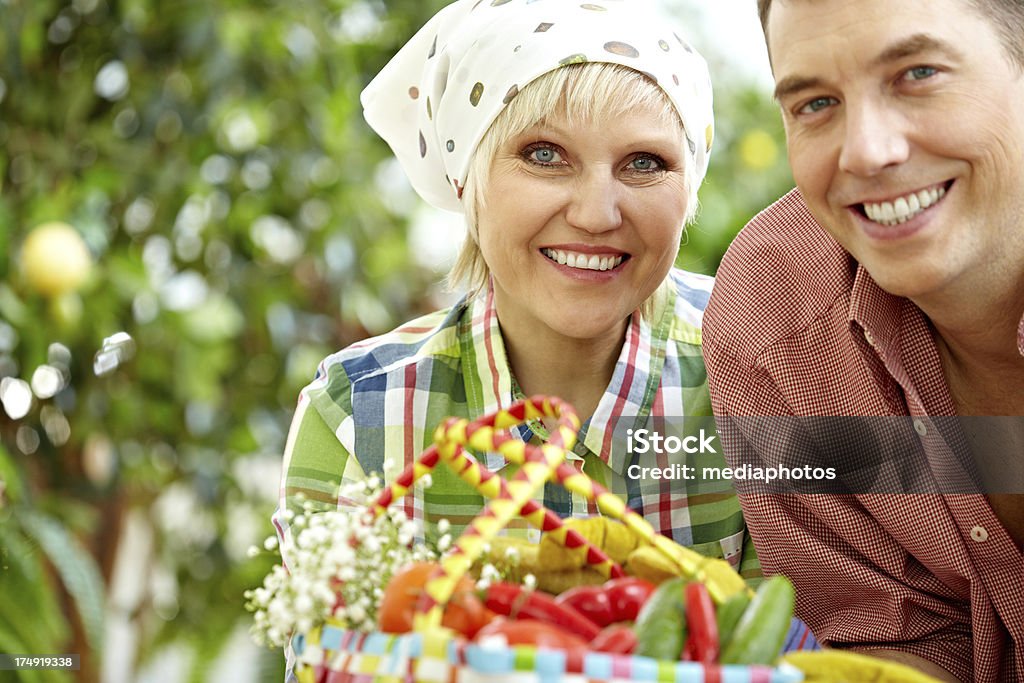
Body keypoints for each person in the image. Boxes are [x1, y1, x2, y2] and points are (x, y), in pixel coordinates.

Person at [274, 0, 761, 581]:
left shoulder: (767, 362)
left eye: (644, 163)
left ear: (689, 191)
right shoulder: (358, 415)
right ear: (467, 180)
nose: (596, 214)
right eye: (545, 155)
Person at [702, 0, 1024, 681]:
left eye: (919, 73)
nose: (868, 152)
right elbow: (900, 638)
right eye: (816, 103)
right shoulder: (771, 322)